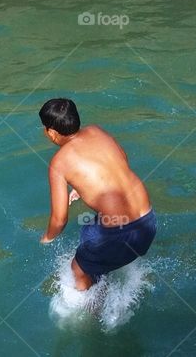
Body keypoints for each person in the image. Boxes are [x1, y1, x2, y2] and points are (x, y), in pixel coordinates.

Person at [38, 98, 156, 291]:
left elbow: (59, 219)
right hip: (148, 223)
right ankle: (104, 269)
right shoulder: (97, 131)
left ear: (51, 132)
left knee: (78, 270)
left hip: (122, 236)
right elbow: (121, 161)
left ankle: (97, 314)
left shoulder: (59, 164)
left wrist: (47, 238)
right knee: (90, 230)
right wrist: (83, 185)